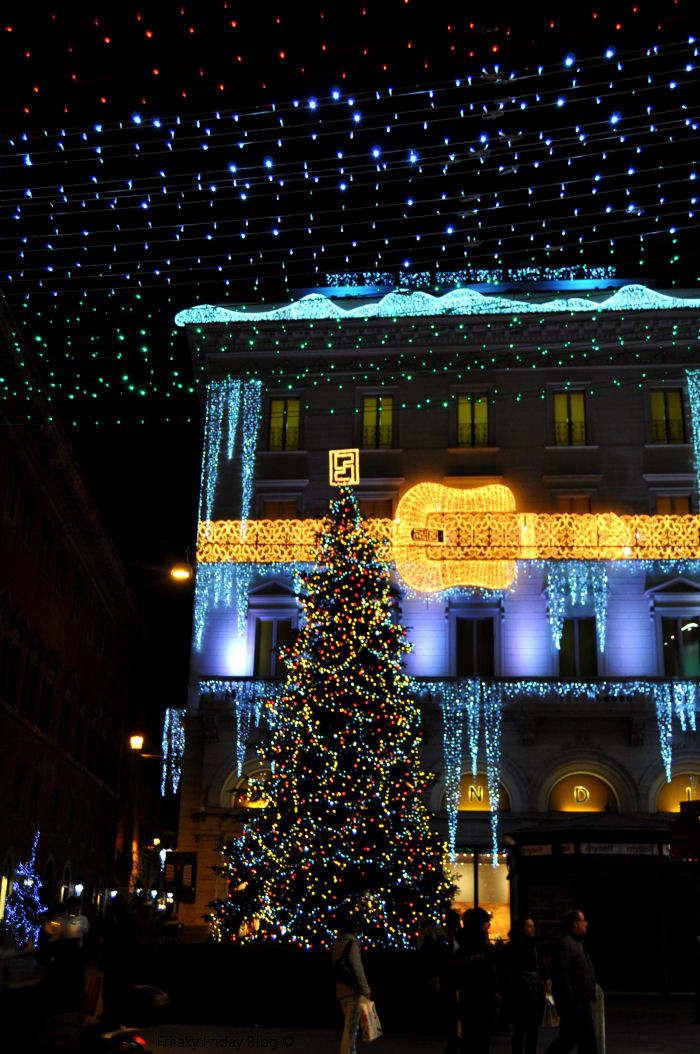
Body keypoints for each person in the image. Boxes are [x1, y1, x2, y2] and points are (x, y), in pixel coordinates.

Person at [544, 909, 597, 1054]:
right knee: (570, 1038)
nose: (586, 923)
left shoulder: (577, 942)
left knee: (582, 1037)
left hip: (581, 999)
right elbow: (562, 974)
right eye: (583, 920)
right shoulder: (566, 943)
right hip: (574, 1001)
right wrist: (572, 998)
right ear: (575, 924)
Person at [453, 907, 502, 1054]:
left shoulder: (461, 938)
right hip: (481, 994)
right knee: (481, 1038)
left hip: (469, 993)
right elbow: (489, 968)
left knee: (470, 1037)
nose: (489, 925)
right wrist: (495, 990)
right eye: (487, 922)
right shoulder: (479, 940)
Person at [503, 917, 545, 1054]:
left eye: (533, 926)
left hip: (533, 990)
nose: (532, 929)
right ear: (521, 928)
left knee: (532, 1029)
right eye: (529, 926)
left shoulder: (535, 945)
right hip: (521, 992)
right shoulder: (514, 946)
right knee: (520, 1029)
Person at [331, 915, 371, 1054]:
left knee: (350, 1027)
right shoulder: (352, 944)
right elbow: (357, 967)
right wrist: (365, 988)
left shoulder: (337, 944)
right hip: (353, 990)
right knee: (351, 1029)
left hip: (341, 990)